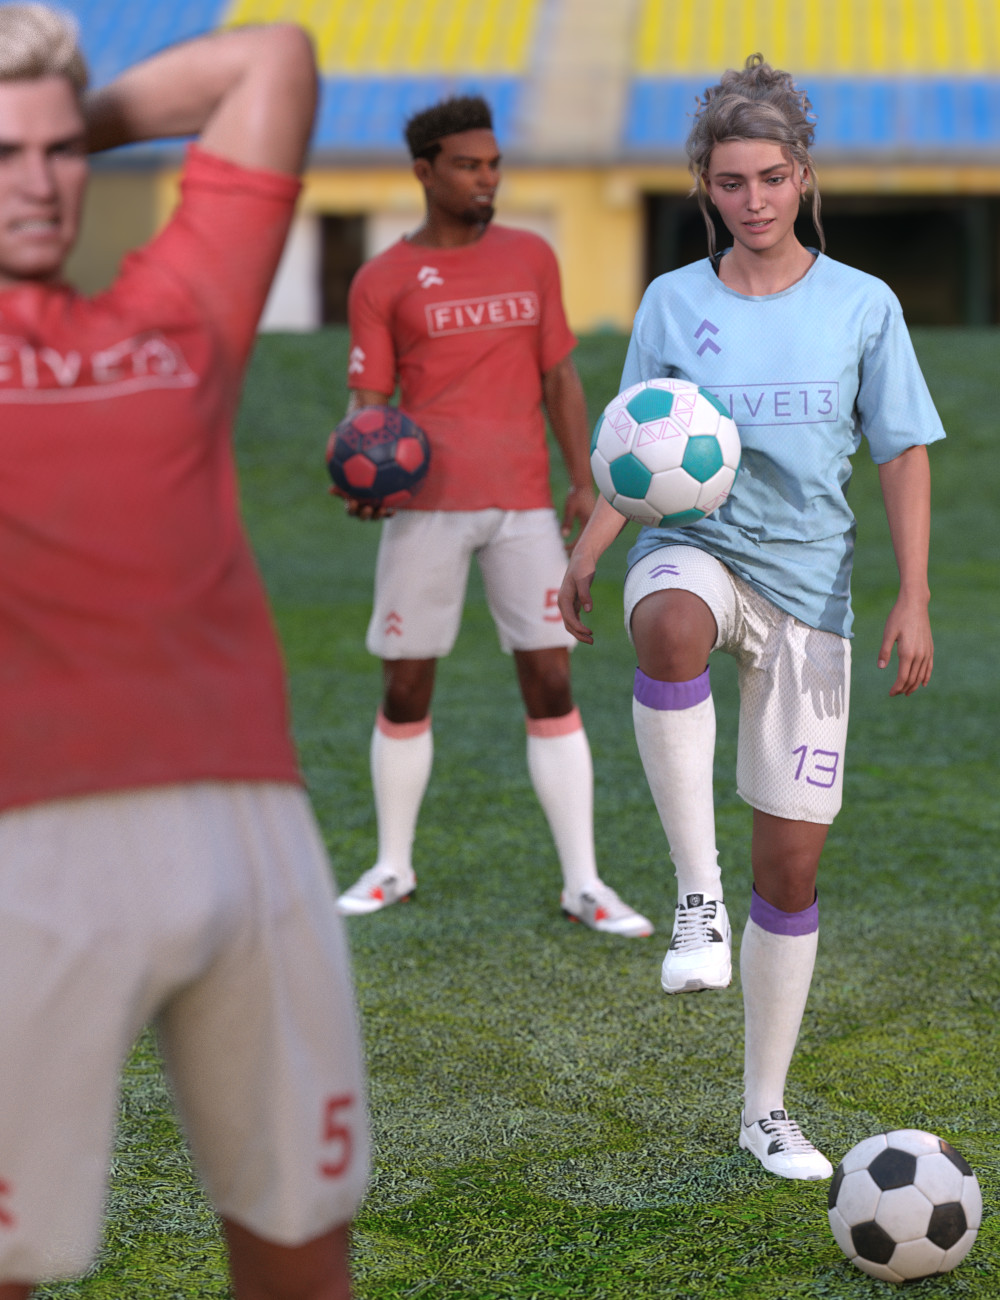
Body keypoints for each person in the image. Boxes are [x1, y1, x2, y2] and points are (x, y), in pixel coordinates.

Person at [0, 6, 368, 1297]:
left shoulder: (174, 313)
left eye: (53, 156)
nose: (39, 184)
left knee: (300, 1252)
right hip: (27, 842)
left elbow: (270, 60)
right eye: (5, 156)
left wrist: (63, 117)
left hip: (250, 823)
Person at [559, 54, 944, 1178]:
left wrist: (913, 595)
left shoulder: (862, 305)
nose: (755, 200)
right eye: (731, 182)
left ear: (804, 175)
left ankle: (763, 1109)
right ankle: (693, 901)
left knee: (792, 868)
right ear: (703, 185)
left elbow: (902, 451)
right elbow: (639, 452)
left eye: (772, 177)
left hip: (813, 592)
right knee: (669, 624)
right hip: (698, 553)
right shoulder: (672, 303)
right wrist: (584, 555)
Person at [335, 94, 651, 937]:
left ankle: (583, 882)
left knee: (551, 679)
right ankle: (392, 864)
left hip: (523, 507)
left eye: (495, 164)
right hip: (424, 511)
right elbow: (367, 402)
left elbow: (560, 377)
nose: (488, 178)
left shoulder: (531, 257)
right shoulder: (383, 279)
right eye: (470, 165)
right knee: (406, 682)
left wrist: (582, 480)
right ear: (425, 171)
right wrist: (358, 465)